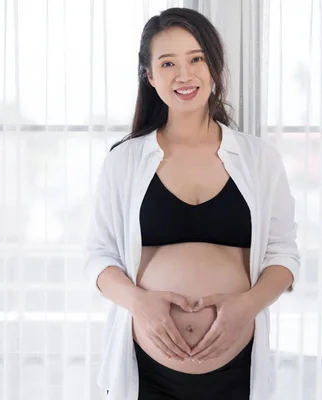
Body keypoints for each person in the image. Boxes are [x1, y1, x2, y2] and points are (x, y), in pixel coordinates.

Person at [83, 7, 300, 400]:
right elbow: (98, 258)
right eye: (168, 63)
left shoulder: (259, 159)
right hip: (145, 370)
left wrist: (246, 306)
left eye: (196, 58)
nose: (184, 75)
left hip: (237, 366)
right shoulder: (124, 161)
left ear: (214, 67)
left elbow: (283, 256)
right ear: (150, 77)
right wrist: (141, 305)